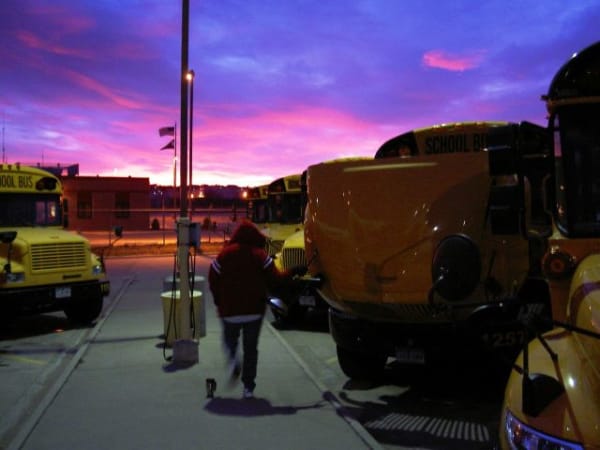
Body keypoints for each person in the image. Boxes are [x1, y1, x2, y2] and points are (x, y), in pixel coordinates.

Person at [208, 219, 306, 399]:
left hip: (229, 311)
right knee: (251, 350)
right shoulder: (260, 255)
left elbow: (213, 276)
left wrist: (218, 300)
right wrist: (294, 271)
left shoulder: (224, 255)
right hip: (253, 311)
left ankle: (233, 361)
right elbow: (276, 279)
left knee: (230, 341)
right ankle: (248, 388)